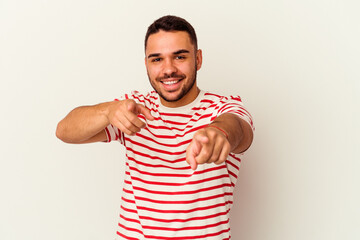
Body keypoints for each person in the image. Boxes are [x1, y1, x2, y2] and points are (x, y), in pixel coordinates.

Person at [56, 15, 254, 240]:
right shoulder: (133, 109)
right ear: (146, 64)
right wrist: (108, 111)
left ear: (198, 59)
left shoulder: (223, 107)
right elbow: (64, 131)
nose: (168, 70)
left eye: (179, 56)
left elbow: (238, 129)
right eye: (157, 59)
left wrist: (219, 133)